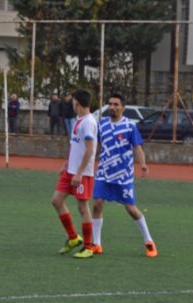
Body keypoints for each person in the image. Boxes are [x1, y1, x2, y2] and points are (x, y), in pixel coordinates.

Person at [92, 93, 157, 257]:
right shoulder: (102, 124)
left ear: (123, 107)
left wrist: (143, 164)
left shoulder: (130, 126)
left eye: (116, 104)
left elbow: (138, 147)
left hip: (123, 176)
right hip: (103, 173)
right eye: (110, 104)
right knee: (97, 204)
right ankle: (96, 243)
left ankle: (149, 241)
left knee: (131, 209)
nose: (112, 107)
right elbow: (97, 147)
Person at [51, 89, 99, 259]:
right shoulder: (79, 120)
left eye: (73, 101)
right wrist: (66, 165)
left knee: (82, 207)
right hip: (70, 171)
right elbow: (75, 146)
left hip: (82, 173)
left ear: (77, 103)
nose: (72, 104)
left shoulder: (89, 122)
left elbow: (90, 150)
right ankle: (73, 238)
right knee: (56, 201)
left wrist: (79, 173)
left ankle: (88, 246)